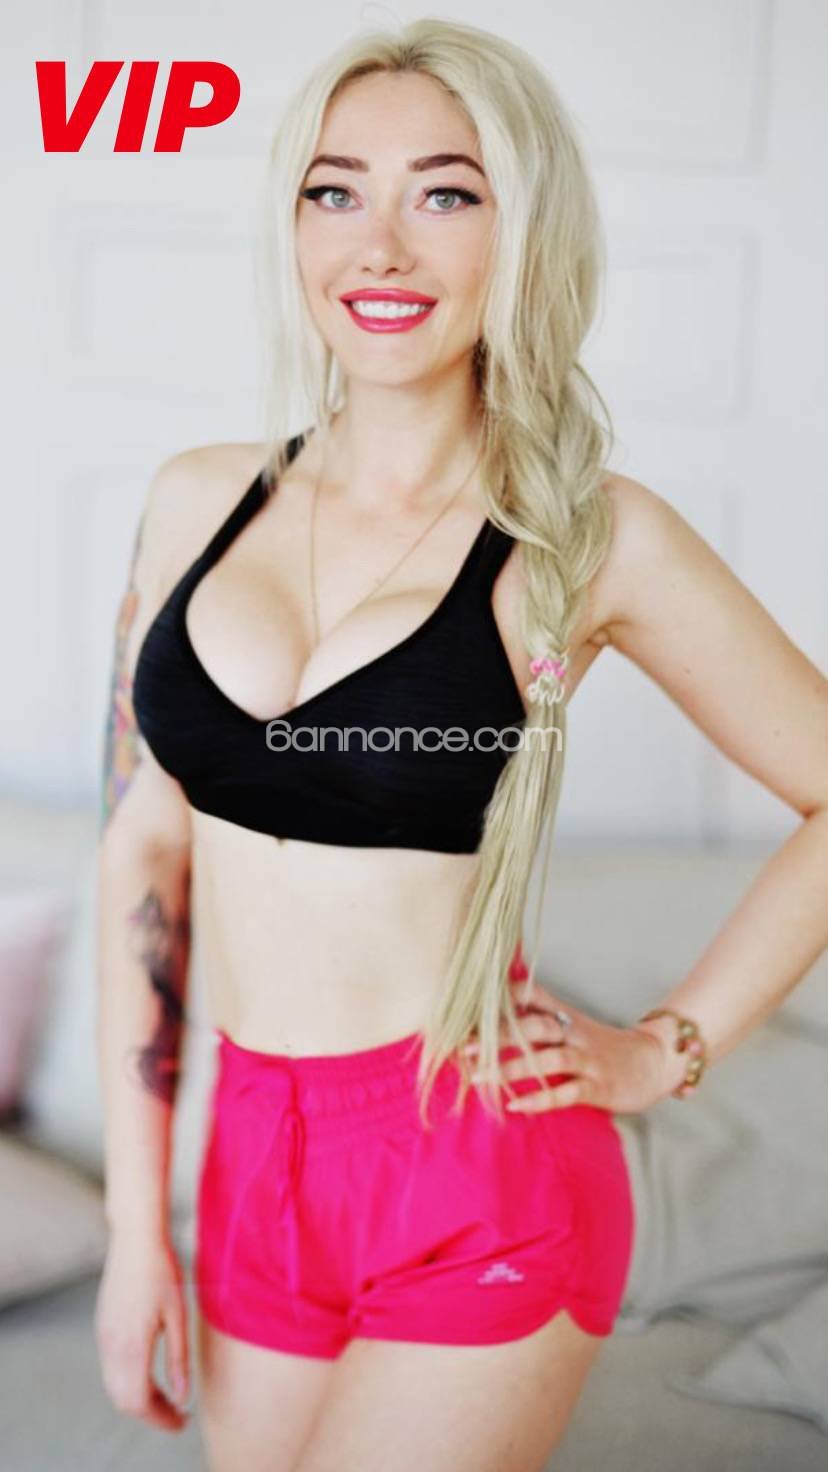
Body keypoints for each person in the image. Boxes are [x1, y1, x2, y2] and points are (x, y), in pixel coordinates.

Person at [93, 17, 828, 1472]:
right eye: (335, 191)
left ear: (522, 231)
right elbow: (146, 853)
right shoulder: (193, 500)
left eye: (444, 193)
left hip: (478, 1166)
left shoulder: (589, 538)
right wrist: (134, 1230)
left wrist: (665, 1049)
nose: (380, 245)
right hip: (252, 1164)